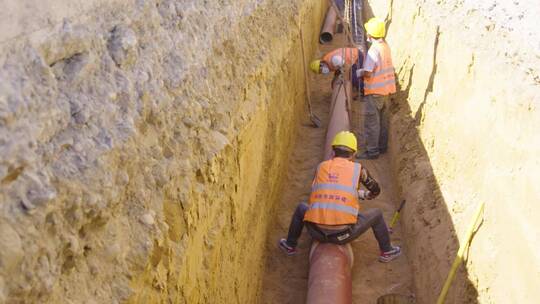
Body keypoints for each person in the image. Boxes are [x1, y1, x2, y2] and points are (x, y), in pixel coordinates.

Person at [278, 131, 401, 263]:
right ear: (353, 154)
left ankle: (290, 245)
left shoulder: (321, 167)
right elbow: (376, 190)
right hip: (343, 235)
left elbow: (321, 190)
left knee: (301, 208)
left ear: (332, 151)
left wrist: (353, 193)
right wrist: (366, 195)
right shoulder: (358, 169)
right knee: (376, 214)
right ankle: (387, 250)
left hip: (315, 231)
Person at [356, 17, 396, 160]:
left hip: (374, 92)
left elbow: (367, 72)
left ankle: (372, 151)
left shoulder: (373, 50)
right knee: (383, 121)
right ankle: (382, 147)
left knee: (372, 123)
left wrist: (359, 72)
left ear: (369, 35)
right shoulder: (386, 46)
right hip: (386, 91)